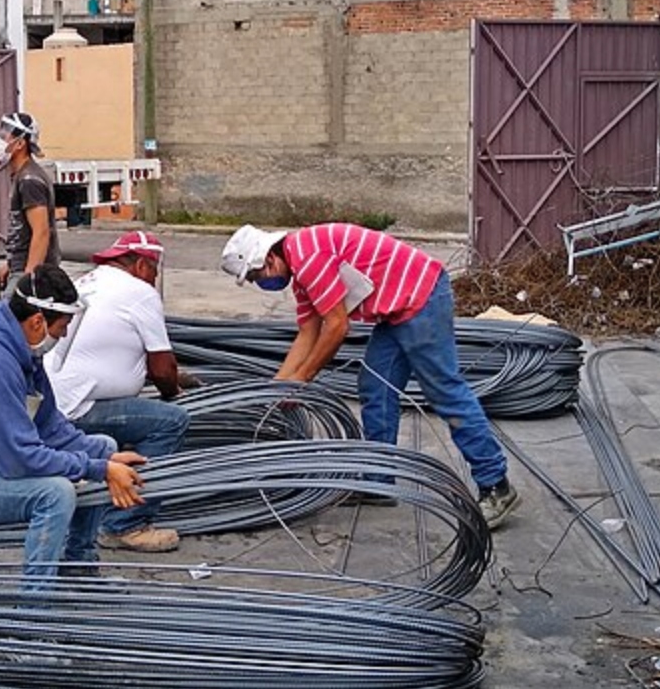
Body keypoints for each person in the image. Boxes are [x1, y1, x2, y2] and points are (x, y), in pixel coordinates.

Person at [219, 223, 521, 529]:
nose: (261, 283)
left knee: (444, 390)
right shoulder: (299, 270)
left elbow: (336, 327)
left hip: (421, 297)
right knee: (376, 387)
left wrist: (301, 381)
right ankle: (379, 481)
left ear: (267, 259)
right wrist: (277, 389)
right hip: (396, 310)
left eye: (257, 277)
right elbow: (307, 333)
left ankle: (496, 484)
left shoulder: (308, 257)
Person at [0, 264, 148, 591]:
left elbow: (51, 428)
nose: (63, 335)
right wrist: (97, 469)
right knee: (55, 494)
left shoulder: (20, 351)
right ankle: (34, 608)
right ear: (37, 322)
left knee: (105, 445)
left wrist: (103, 460)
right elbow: (18, 459)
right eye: (62, 327)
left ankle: (79, 569)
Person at [45, 231, 192, 553]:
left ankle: (104, 500)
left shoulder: (91, 281)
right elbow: (161, 368)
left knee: (135, 420)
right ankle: (126, 524)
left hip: (52, 404)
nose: (155, 279)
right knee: (171, 421)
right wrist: (173, 393)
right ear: (141, 265)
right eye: (154, 271)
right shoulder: (139, 292)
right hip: (80, 407)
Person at [0, 113, 60, 298]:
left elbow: (41, 232)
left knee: (6, 321)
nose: (0, 141)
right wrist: (10, 265)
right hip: (20, 267)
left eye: (5, 137)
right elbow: (24, 233)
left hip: (30, 272)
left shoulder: (30, 180)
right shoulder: (21, 176)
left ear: (20, 144)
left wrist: (28, 279)